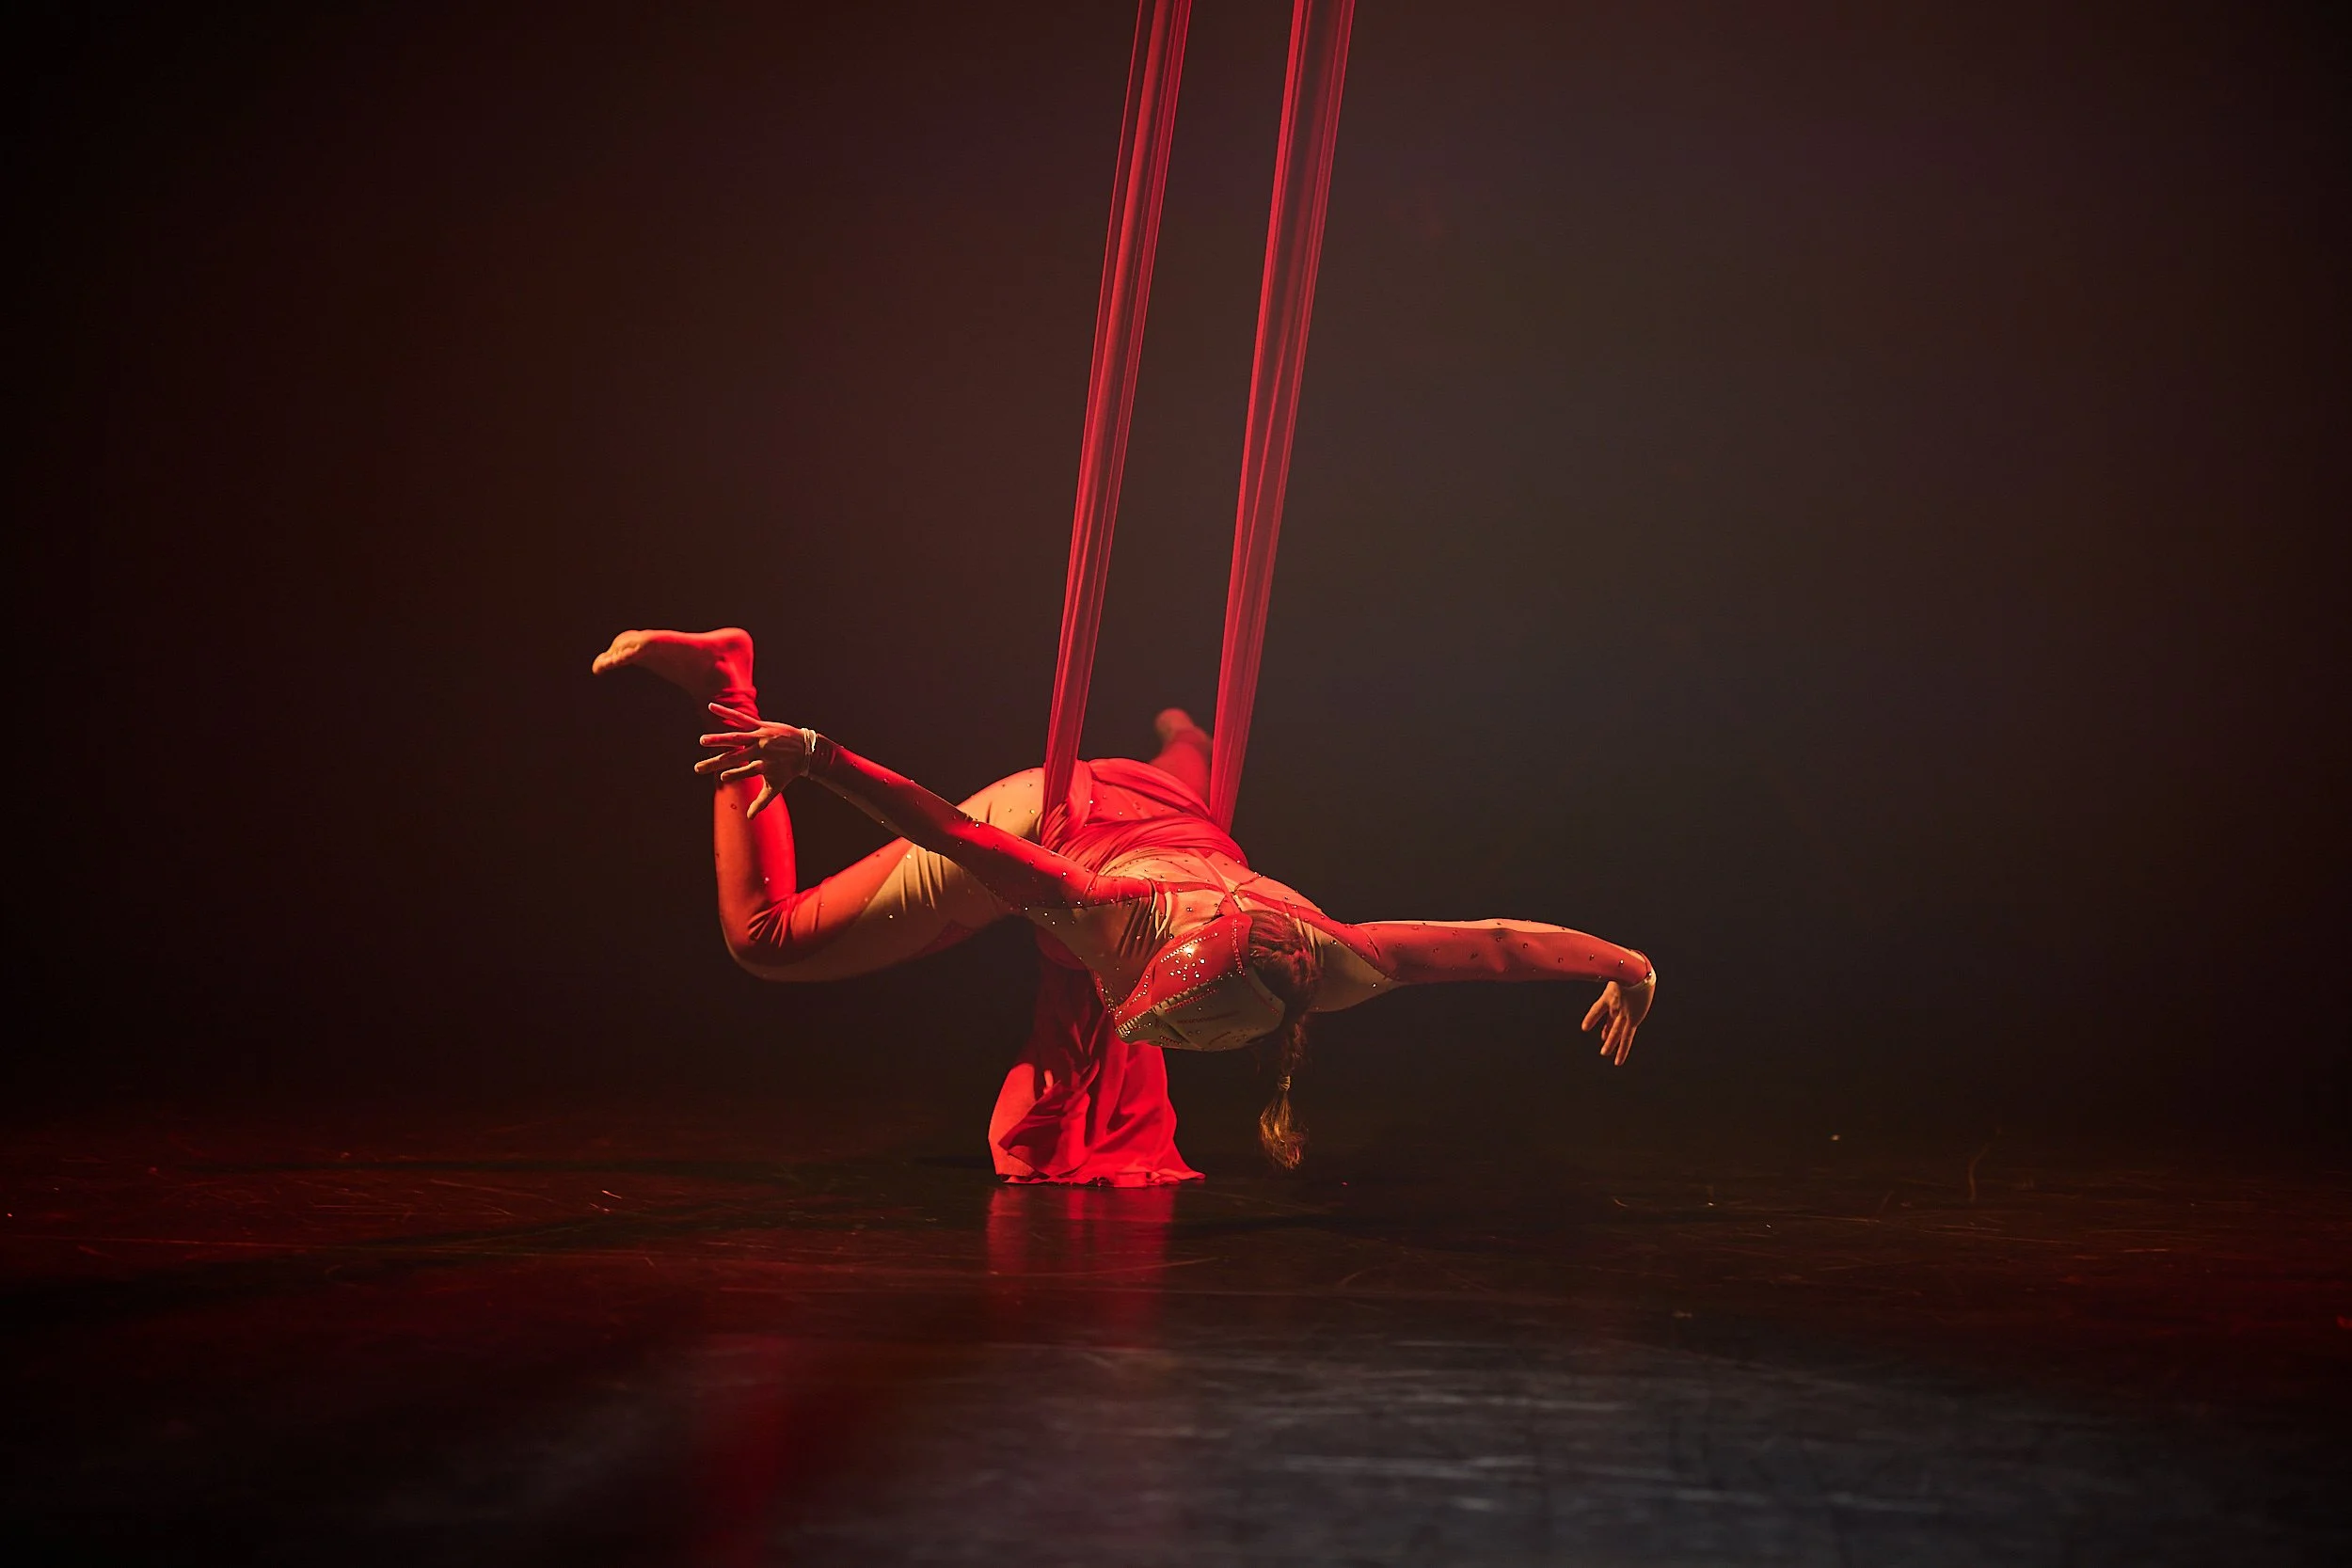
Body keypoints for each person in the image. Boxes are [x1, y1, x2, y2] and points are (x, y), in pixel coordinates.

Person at [594, 626, 1657, 1184]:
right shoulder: (1099, 911)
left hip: (1166, 801)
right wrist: (808, 751)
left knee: (1189, 769)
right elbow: (951, 831)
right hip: (1042, 819)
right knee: (766, 941)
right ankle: (724, 680)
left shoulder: (1331, 957)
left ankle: (1179, 728)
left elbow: (1497, 944)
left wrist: (1626, 964)